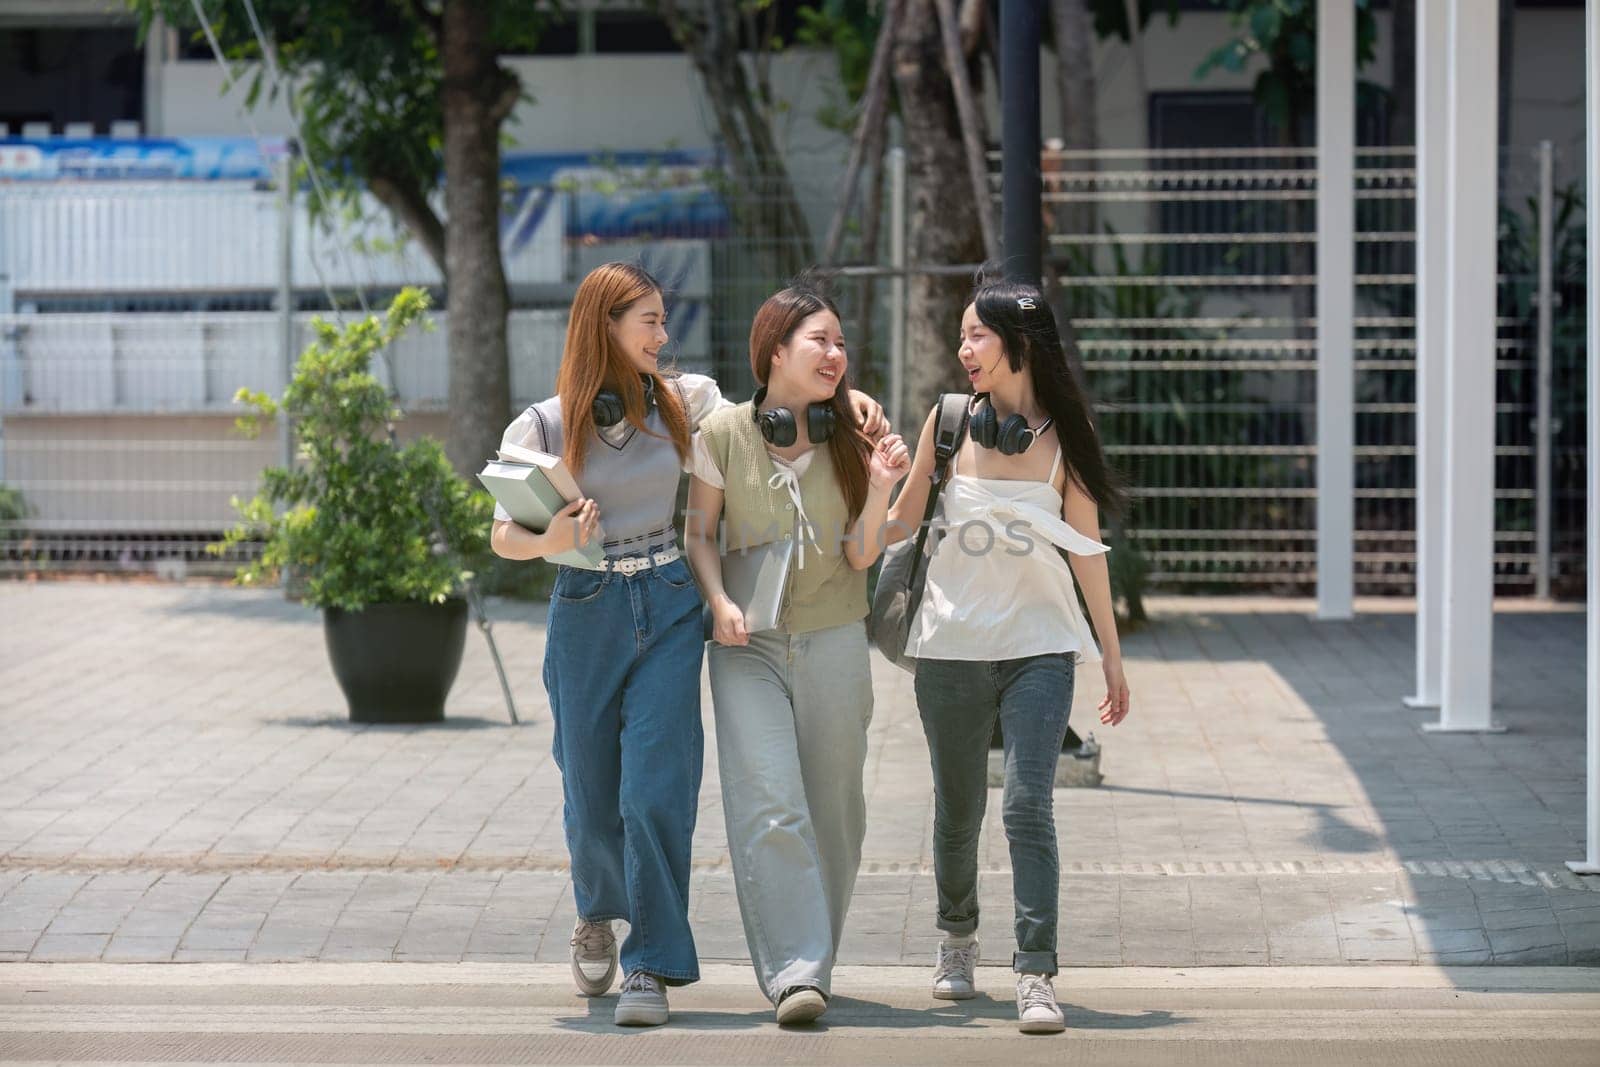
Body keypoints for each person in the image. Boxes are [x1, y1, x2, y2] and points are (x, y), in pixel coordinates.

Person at [489, 262, 884, 1027]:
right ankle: (597, 909)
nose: (664, 336)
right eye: (650, 322)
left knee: (655, 790)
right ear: (605, 323)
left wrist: (850, 397)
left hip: (669, 601)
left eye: (665, 322)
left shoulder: (682, 401)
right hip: (586, 607)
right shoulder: (539, 426)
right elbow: (503, 534)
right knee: (591, 792)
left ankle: (652, 965)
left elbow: (771, 410)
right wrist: (555, 537)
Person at [885, 277, 1132, 1034]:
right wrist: (881, 475)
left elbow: (1088, 553)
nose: (963, 351)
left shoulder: (1066, 436)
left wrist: (1113, 663)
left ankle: (1035, 970)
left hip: (1041, 648)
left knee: (1028, 803)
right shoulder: (950, 422)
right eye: (961, 337)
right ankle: (957, 939)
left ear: (1018, 343)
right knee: (958, 809)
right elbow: (898, 523)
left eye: (976, 336)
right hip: (952, 646)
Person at [684, 281, 909, 1026]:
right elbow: (698, 534)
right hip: (748, 646)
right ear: (776, 351)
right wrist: (717, 601)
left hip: (836, 634)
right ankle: (796, 972)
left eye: (843, 343)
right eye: (821, 340)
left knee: (836, 810)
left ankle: (816, 953)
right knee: (771, 803)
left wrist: (881, 488)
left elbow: (862, 551)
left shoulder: (855, 433)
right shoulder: (721, 433)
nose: (837, 354)